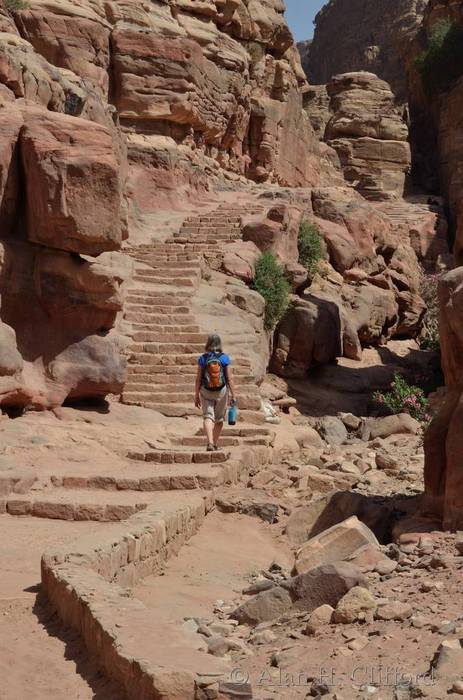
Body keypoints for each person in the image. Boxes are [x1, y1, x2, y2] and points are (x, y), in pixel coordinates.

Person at [195, 333, 236, 451]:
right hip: (221, 392)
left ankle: (210, 443)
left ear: (208, 343)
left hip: (205, 391)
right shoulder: (224, 358)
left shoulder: (203, 358)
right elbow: (229, 378)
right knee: (219, 419)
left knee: (208, 417)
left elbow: (198, 378)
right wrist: (234, 395)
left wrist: (196, 395)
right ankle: (215, 443)